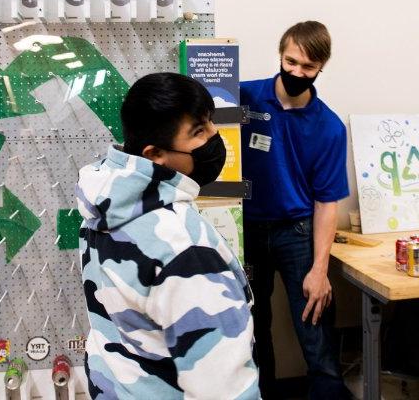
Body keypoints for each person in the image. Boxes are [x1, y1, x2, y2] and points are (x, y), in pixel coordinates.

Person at [76, 72, 260, 399]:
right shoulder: (184, 245)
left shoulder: (102, 206)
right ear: (155, 155)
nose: (216, 138)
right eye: (199, 132)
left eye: (210, 123)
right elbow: (224, 388)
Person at [241, 21, 351, 400]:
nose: (297, 72)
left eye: (308, 67)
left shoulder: (330, 127)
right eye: (291, 61)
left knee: (315, 327)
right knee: (251, 328)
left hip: (297, 233)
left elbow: (326, 202)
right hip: (245, 231)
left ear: (321, 67)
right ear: (280, 54)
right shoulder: (243, 98)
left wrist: (320, 270)